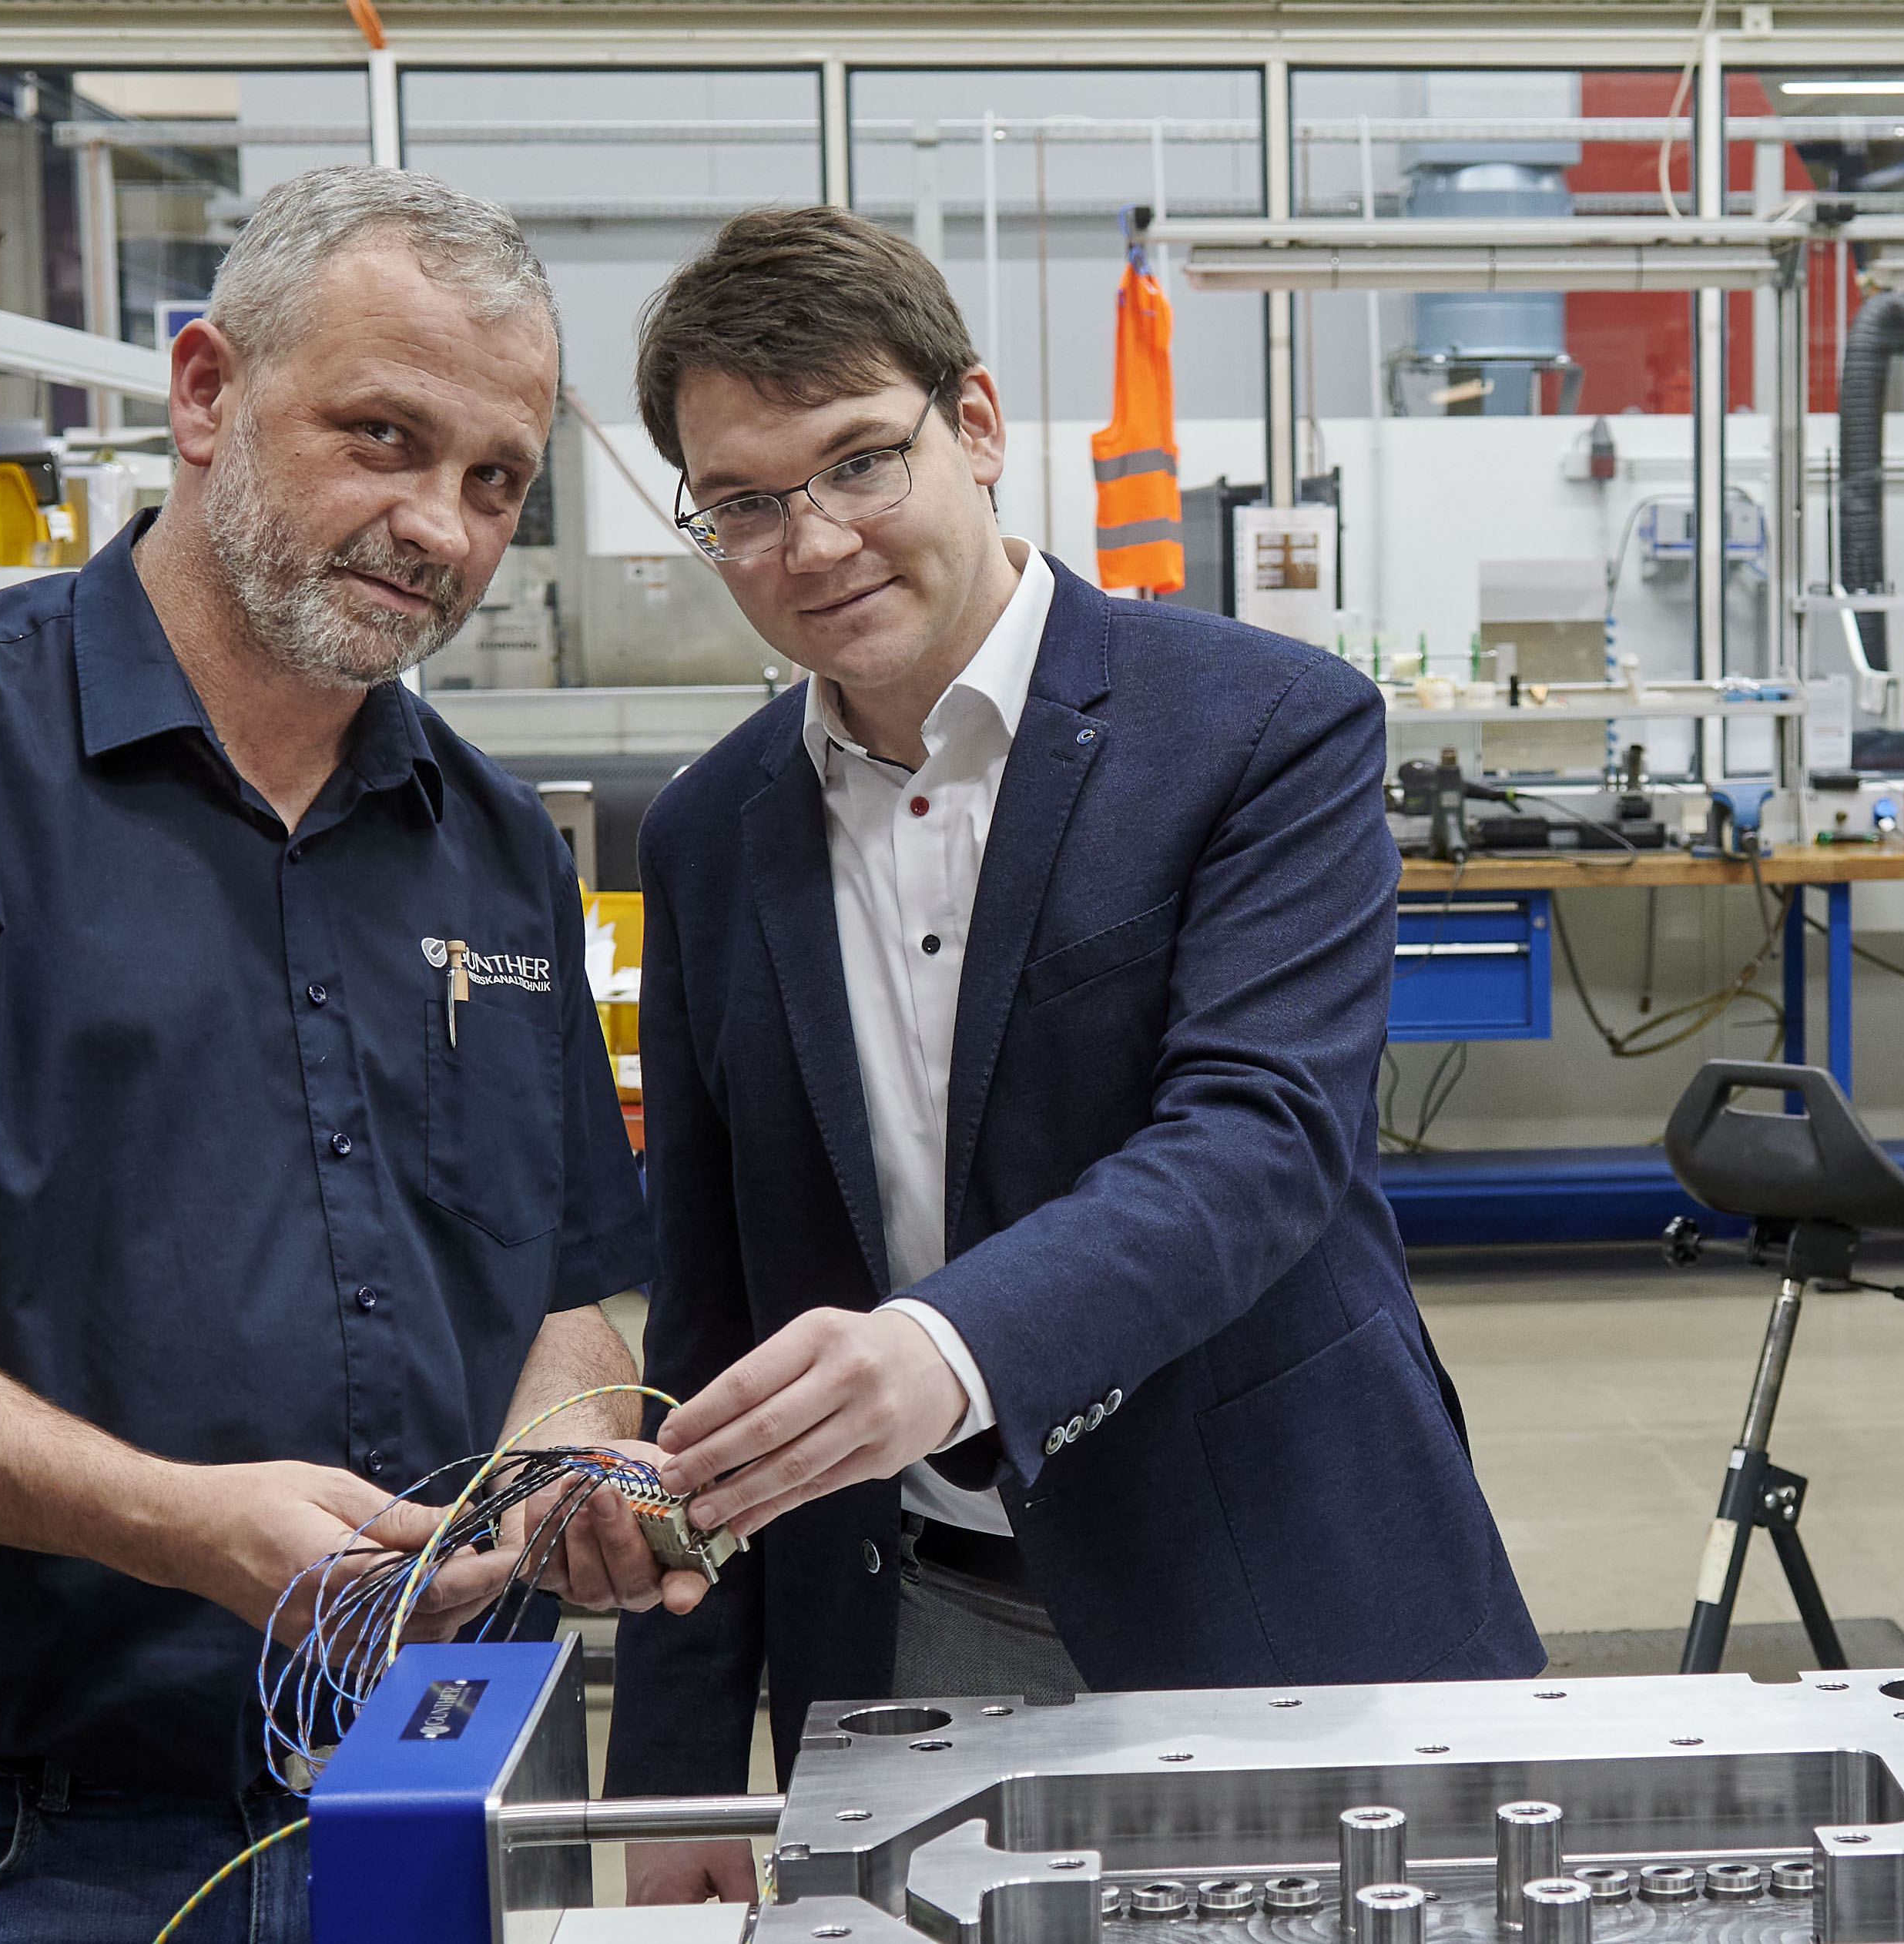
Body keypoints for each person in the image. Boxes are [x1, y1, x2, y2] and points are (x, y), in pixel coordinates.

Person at [0, 167, 692, 1942]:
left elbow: (558, 1295)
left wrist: (562, 1481)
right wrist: (170, 1520)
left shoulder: (494, 847)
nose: (442, 528)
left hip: (413, 1789)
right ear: (209, 392)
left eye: (495, 479)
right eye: (383, 437)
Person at [607, 208, 1541, 1902]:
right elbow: (709, 1315)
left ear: (975, 426)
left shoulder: (1265, 729)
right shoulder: (701, 834)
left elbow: (1259, 1139)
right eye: (743, 501)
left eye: (858, 461)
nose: (811, 541)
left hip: (1268, 1577)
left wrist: (943, 1347)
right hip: (908, 1621)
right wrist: (669, 1771)